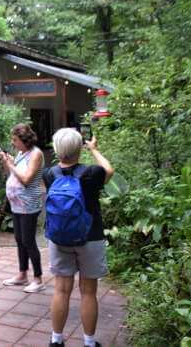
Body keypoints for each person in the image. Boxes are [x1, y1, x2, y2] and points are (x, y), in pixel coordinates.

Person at [44, 128, 114, 347]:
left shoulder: (49, 174)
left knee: (61, 289)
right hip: (90, 236)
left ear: (57, 150)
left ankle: (56, 340)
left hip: (59, 237)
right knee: (88, 291)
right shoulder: (92, 173)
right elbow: (109, 170)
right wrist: (94, 149)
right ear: (79, 149)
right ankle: (89, 342)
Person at [0, 123, 45, 293]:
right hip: (17, 204)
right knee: (19, 239)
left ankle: (38, 279)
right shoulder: (21, 152)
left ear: (25, 140)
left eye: (15, 139)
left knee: (28, 241)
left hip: (29, 204)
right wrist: (7, 162)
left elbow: (25, 179)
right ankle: (22, 274)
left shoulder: (36, 154)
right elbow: (11, 173)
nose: (13, 142)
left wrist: (11, 165)